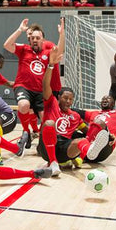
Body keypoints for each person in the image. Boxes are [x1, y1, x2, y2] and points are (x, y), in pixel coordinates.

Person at [4, 18, 64, 150]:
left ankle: (41, 142)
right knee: (24, 105)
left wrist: (61, 34)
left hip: (40, 91)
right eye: (33, 38)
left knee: (46, 121)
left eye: (38, 37)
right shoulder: (24, 49)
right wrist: (20, 30)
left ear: (43, 40)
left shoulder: (47, 53)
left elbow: (59, 52)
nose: (35, 40)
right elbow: (7, 45)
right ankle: (26, 131)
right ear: (30, 40)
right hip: (23, 86)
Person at [37, 48, 86, 176]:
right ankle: (53, 162)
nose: (68, 101)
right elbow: (45, 86)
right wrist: (51, 66)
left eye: (71, 99)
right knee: (49, 123)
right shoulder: (51, 103)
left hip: (64, 147)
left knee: (80, 141)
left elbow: (88, 131)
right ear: (59, 97)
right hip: (46, 146)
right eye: (65, 98)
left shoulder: (75, 116)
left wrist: (107, 135)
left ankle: (78, 157)